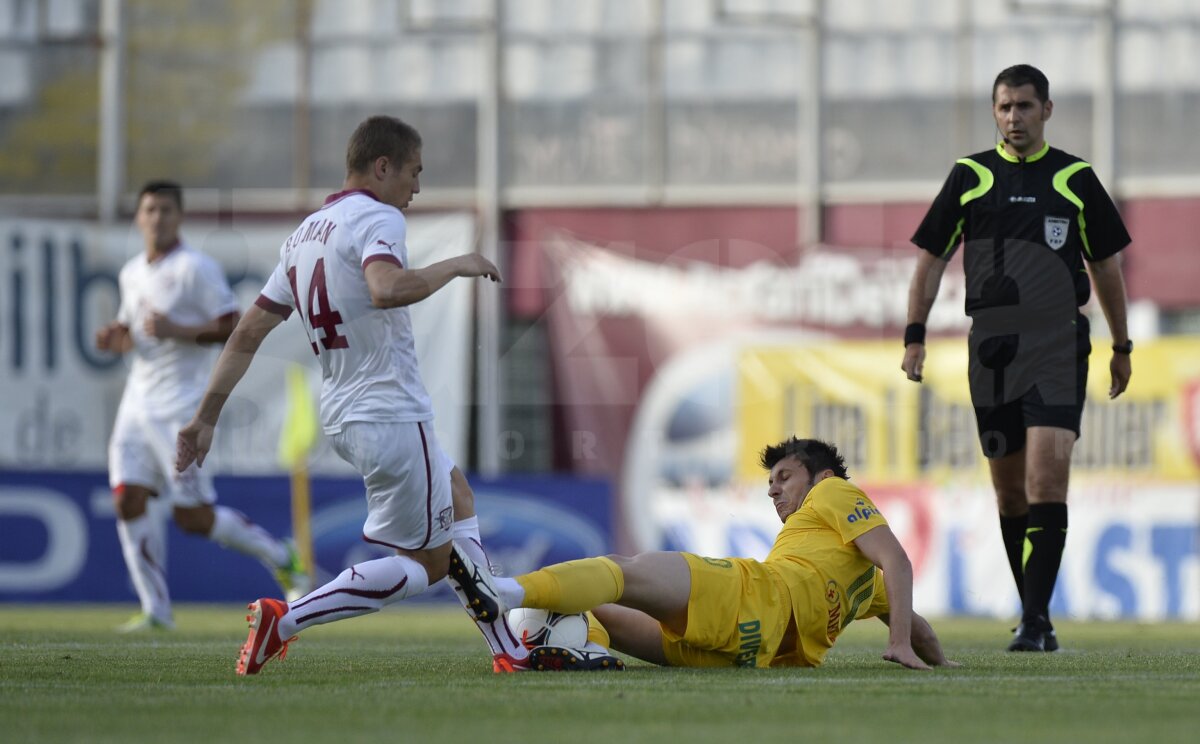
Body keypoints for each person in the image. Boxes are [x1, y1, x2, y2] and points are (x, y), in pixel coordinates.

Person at [175, 115, 526, 675]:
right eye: (414, 173)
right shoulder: (377, 216)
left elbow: (246, 333)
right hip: (390, 411)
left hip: (346, 414)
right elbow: (386, 289)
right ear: (382, 167)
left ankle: (508, 650)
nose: (417, 188)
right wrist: (456, 264)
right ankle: (284, 620)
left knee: (458, 495)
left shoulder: (304, 235)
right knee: (425, 567)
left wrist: (203, 420)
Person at [901, 64, 1132, 652]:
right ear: (994, 111)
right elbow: (929, 260)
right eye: (1004, 107)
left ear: (1046, 111)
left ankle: (1033, 622)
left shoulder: (1076, 179)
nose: (1014, 118)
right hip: (994, 349)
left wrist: (1120, 345)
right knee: (1009, 494)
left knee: (1046, 478)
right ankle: (1037, 614)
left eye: (1025, 107)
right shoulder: (970, 176)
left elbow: (1106, 267)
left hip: (1058, 343)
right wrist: (915, 333)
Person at [492, 437, 956, 672]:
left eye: (784, 477)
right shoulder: (858, 580)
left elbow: (897, 560)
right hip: (748, 653)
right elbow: (918, 627)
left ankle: (504, 591)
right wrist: (940, 661)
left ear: (821, 476)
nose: (773, 490)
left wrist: (899, 645)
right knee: (600, 608)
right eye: (770, 484)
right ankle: (560, 648)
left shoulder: (832, 490)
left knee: (626, 568)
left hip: (753, 597)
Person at [97, 180, 311, 632]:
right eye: (150, 209)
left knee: (191, 517)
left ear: (180, 217)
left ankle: (281, 556)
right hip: (137, 405)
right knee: (126, 498)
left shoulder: (196, 268)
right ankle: (156, 610)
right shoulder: (132, 272)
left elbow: (232, 326)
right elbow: (131, 325)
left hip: (181, 407)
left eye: (166, 210)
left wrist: (179, 330)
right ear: (139, 218)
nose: (157, 218)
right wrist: (117, 336)